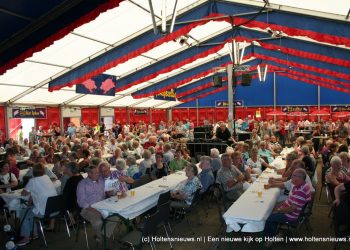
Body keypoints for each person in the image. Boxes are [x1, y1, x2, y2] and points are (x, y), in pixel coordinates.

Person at [263, 169, 312, 241]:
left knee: (268, 217)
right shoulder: (303, 185)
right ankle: (274, 230)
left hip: (290, 216)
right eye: (293, 175)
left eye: (294, 175)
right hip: (291, 211)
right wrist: (279, 206)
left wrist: (279, 210)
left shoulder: (300, 191)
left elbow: (291, 209)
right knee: (271, 208)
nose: (291, 177)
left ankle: (269, 238)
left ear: (300, 178)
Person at [16, 163, 57, 246]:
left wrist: (30, 191)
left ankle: (26, 237)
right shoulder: (46, 178)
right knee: (31, 209)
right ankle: (34, 234)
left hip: (45, 212)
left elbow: (23, 193)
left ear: (33, 171)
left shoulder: (33, 181)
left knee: (23, 212)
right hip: (55, 210)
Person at [77, 165, 118, 242]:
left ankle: (103, 234)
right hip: (88, 208)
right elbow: (81, 201)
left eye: (98, 172)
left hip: (102, 206)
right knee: (98, 222)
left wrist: (112, 192)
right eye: (96, 173)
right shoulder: (82, 184)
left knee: (116, 217)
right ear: (89, 174)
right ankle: (100, 238)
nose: (98, 174)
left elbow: (109, 188)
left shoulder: (101, 180)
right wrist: (91, 208)